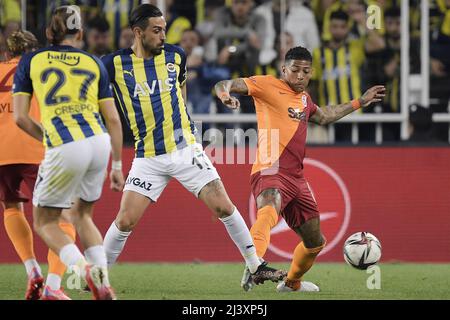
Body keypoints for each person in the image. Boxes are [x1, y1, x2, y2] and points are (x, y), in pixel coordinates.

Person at [101, 4, 286, 286]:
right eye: (156, 30)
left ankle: (256, 264)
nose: (163, 36)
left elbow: (181, 92)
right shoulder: (113, 64)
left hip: (185, 149)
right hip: (147, 156)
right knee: (125, 221)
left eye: (164, 29)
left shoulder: (176, 56)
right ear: (137, 33)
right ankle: (98, 277)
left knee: (223, 207)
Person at [214, 46, 384, 292]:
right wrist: (225, 95)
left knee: (315, 242)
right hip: (269, 169)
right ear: (284, 70)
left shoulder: (304, 100)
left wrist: (360, 101)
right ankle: (254, 263)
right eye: (295, 70)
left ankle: (291, 283)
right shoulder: (267, 85)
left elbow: (325, 116)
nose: (301, 76)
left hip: (296, 178)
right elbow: (224, 82)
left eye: (306, 71)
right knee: (269, 207)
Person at [12, 5, 124, 300]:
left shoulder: (31, 60)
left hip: (64, 143)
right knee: (82, 216)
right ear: (81, 33)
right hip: (98, 141)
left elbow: (20, 117)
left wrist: (48, 139)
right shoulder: (93, 63)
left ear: (49, 32)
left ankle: (84, 269)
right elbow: (113, 119)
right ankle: (104, 283)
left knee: (45, 222)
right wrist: (117, 165)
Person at [1, 30, 77, 300]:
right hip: (37, 150)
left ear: (8, 52)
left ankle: (32, 269)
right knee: (63, 219)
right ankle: (53, 287)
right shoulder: (42, 71)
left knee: (11, 207)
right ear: (34, 51)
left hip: (1, 153)